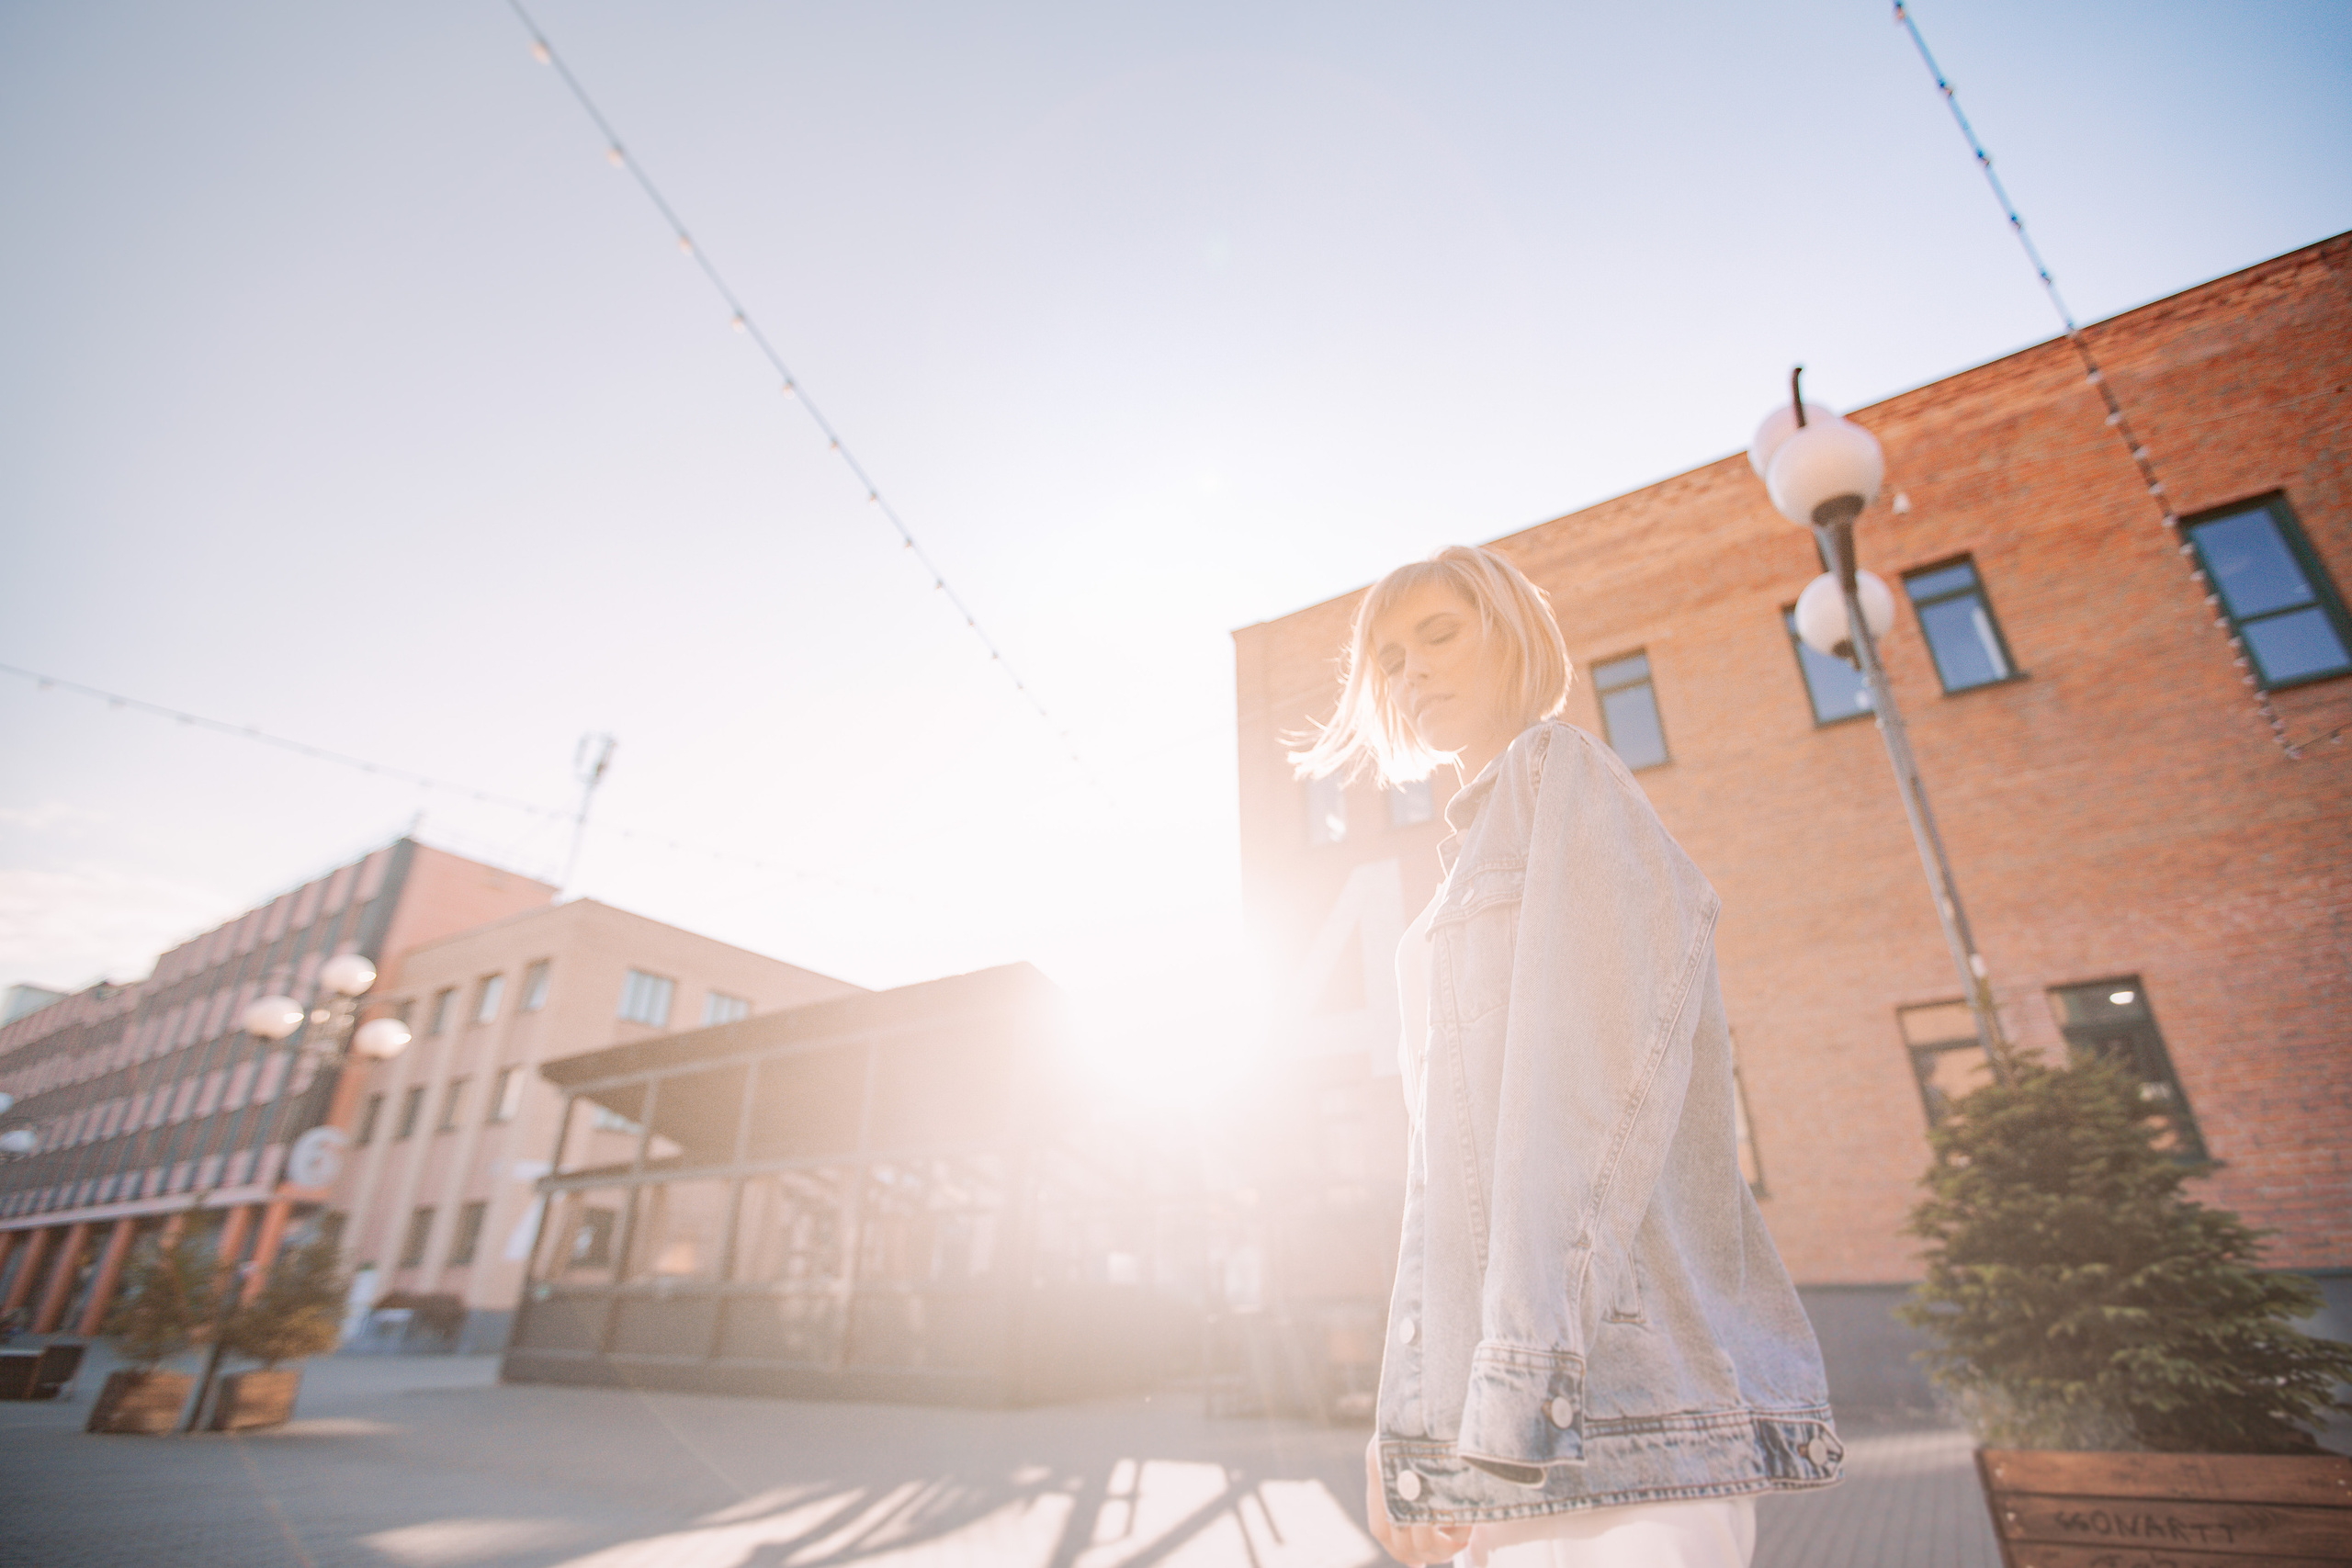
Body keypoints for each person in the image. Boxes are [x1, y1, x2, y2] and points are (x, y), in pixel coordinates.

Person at [1292, 546, 1841, 1568]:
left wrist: (1508, 1381)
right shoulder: (1461, 866)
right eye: (1390, 659)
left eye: (1438, 635)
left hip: (1605, 1407)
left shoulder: (1564, 777)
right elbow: (1444, 1190)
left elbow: (1585, 1107)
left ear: (1509, 630)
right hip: (1525, 1425)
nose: (1411, 673)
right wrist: (1410, 1422)